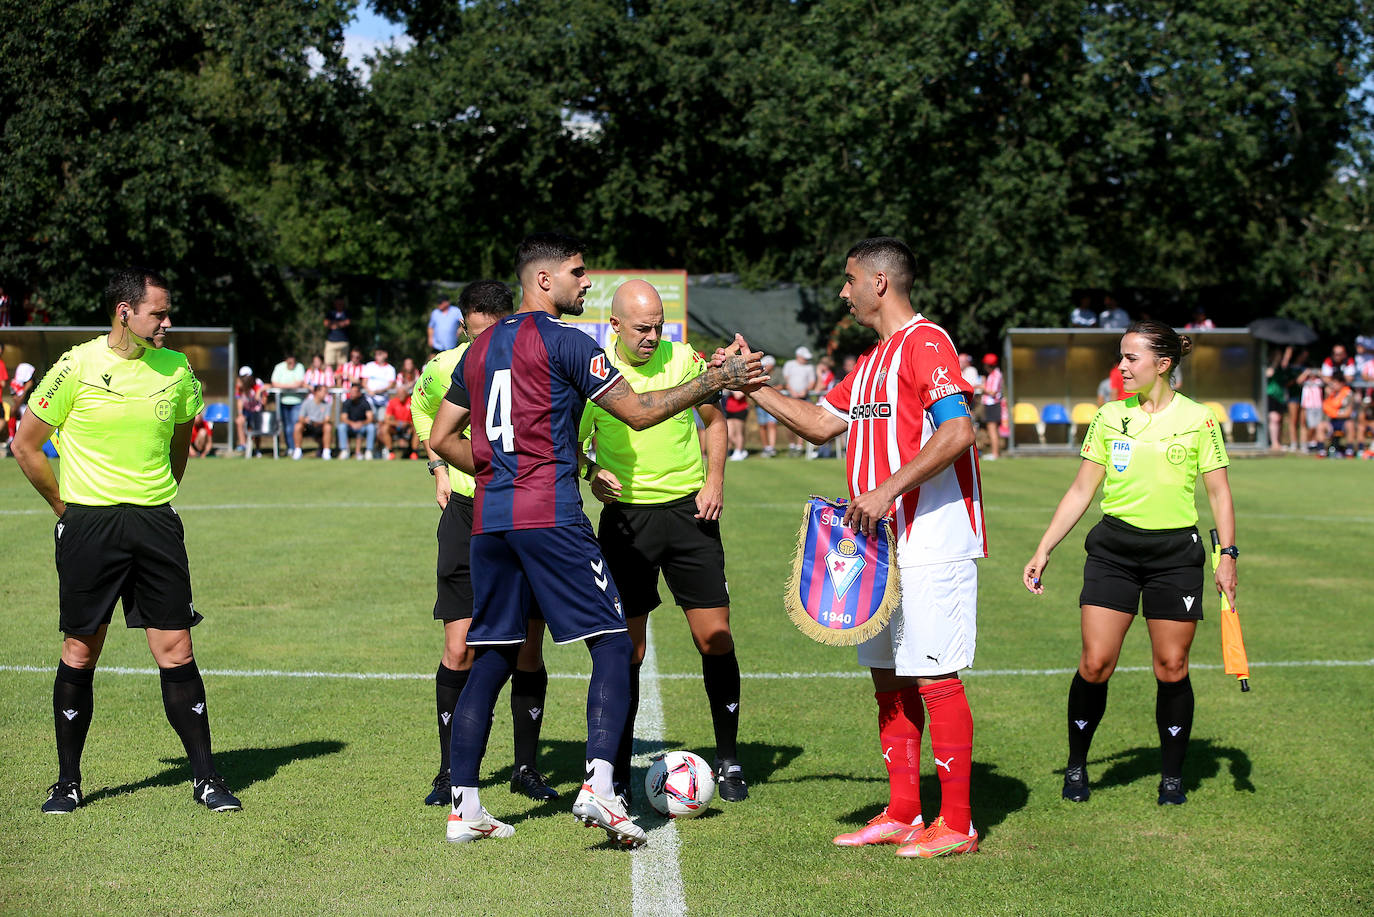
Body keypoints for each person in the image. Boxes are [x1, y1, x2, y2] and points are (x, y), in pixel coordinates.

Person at [426, 232, 763, 846]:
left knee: (495, 652)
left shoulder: (477, 351)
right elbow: (636, 411)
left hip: (492, 521)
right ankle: (601, 791)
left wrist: (493, 473)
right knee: (612, 643)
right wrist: (713, 383)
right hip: (550, 516)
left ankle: (465, 804)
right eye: (579, 273)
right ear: (543, 280)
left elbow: (442, 436)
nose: (587, 282)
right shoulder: (567, 342)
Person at [726, 237, 985, 858]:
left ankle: (958, 825)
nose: (843, 291)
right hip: (877, 547)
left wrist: (888, 490)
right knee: (889, 678)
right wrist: (747, 383)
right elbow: (817, 423)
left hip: (931, 538)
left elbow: (958, 430)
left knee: (935, 677)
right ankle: (902, 811)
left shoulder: (927, 343)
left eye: (848, 280)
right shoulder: (872, 362)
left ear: (879, 282)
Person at [10, 267, 241, 814]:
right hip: (90, 526)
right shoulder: (76, 365)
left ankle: (206, 778)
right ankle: (67, 782)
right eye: (158, 313)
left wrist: (158, 495)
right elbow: (25, 445)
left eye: (167, 312)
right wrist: (68, 510)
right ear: (125, 312)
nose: (167, 322)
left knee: (176, 650)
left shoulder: (178, 368)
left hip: (155, 524)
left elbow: (182, 440)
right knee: (80, 650)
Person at [1022, 320, 1236, 808]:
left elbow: (1220, 494)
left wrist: (1228, 557)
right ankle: (1077, 765)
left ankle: (1172, 777)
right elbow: (1082, 489)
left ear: (1162, 364)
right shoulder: (1109, 417)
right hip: (1113, 553)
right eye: (1120, 356)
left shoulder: (1199, 419)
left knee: (1172, 666)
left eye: (1131, 358)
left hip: (1176, 558)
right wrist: (1044, 548)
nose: (1121, 366)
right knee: (1095, 664)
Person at [579, 280, 748, 808]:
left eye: (658, 326)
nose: (652, 337)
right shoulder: (595, 371)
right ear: (615, 326)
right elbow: (569, 441)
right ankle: (620, 769)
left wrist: (715, 480)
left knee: (715, 637)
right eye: (641, 328)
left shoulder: (685, 359)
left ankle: (728, 757)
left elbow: (715, 421)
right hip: (627, 522)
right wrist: (592, 471)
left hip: (689, 515)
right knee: (626, 649)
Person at [411, 279, 557, 807]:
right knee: (460, 647)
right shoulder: (444, 366)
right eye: (474, 333)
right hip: (468, 511)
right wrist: (438, 466)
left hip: (525, 510)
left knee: (527, 646)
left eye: (486, 333)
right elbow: (423, 411)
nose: (481, 344)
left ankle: (526, 767)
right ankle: (449, 771)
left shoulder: (534, 358)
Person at [271, 353, 308, 459]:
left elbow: (299, 383)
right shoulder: (279, 367)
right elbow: (275, 383)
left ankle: (295, 448)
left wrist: (284, 386)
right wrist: (290, 386)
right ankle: (290, 447)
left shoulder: (299, 367)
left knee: (295, 425)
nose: (292, 364)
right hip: (283, 401)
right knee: (286, 426)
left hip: (296, 402)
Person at [781, 346, 817, 454]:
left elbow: (811, 382)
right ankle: (792, 445)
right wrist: (791, 390)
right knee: (789, 421)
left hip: (803, 398)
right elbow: (786, 380)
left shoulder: (809, 367)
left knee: (803, 421)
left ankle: (799, 446)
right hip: (790, 397)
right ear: (798, 356)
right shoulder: (789, 364)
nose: (806, 360)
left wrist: (805, 390)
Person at [294, 384, 334, 459]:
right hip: (308, 426)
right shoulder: (307, 402)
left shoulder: (327, 404)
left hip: (320, 426)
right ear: (316, 392)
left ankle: (326, 452)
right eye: (323, 392)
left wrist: (318, 423)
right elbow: (301, 417)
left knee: (328, 427)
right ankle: (297, 451)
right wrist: (305, 420)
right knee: (298, 426)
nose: (325, 394)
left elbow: (327, 419)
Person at [338, 382, 376, 459]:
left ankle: (368, 451)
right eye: (351, 392)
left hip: (362, 426)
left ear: (359, 393)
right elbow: (343, 418)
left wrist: (361, 423)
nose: (352, 394)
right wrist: (352, 424)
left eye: (354, 392)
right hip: (350, 426)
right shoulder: (346, 402)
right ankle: (344, 450)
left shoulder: (365, 403)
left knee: (371, 427)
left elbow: (370, 418)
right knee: (341, 427)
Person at [234, 367, 266, 457]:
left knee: (256, 430)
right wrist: (240, 413)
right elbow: (239, 400)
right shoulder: (240, 386)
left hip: (257, 410)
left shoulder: (257, 383)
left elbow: (267, 388)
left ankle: (257, 449)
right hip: (246, 409)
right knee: (239, 421)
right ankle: (243, 445)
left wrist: (260, 391)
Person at [378, 386, 416, 460]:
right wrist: (396, 423)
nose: (401, 395)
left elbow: (417, 418)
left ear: (406, 394)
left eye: (402, 393)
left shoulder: (412, 401)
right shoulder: (392, 402)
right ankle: (390, 452)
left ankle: (414, 453)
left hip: (409, 427)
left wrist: (409, 424)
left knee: (417, 429)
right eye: (399, 393)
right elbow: (386, 419)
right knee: (384, 428)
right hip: (396, 428)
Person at [980, 353, 1004, 460]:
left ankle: (995, 453)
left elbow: (993, 392)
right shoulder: (994, 374)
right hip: (992, 404)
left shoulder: (995, 375)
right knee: (993, 430)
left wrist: (980, 386)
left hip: (992, 404)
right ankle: (995, 453)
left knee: (992, 430)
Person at [754, 355, 779, 456]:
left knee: (771, 424)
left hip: (773, 403)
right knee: (762, 425)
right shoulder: (759, 373)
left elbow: (782, 385)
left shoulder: (777, 373)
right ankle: (766, 447)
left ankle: (771, 448)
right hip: (760, 403)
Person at [362, 348, 397, 418]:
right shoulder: (369, 365)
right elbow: (363, 382)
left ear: (385, 355)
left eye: (380, 354)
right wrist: (369, 391)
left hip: (384, 401)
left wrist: (380, 391)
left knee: (381, 422)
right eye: (376, 354)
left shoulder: (390, 369)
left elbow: (391, 385)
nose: (377, 356)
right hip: (370, 400)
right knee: (371, 421)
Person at [723, 387, 750, 460]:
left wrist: (730, 390)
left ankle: (738, 451)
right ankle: (742, 450)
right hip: (729, 410)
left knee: (739, 433)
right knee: (729, 434)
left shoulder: (742, 385)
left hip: (740, 409)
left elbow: (738, 396)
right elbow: (724, 392)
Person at [323, 297, 351, 368]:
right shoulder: (330, 313)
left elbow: (347, 322)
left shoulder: (346, 312)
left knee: (341, 365)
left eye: (341, 303)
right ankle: (329, 379)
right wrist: (340, 324)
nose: (339, 305)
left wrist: (334, 324)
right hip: (331, 341)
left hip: (343, 342)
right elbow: (326, 323)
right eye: (337, 303)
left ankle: (339, 379)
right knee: (328, 363)